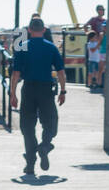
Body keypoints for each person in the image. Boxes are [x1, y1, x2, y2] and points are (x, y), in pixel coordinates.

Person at [9, 17, 67, 177]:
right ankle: (45, 146)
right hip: (46, 90)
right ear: (43, 30)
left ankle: (30, 164)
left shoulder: (22, 47)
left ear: (29, 30)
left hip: (28, 89)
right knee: (51, 123)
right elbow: (61, 72)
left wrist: (13, 93)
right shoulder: (51, 48)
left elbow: (15, 74)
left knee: (27, 127)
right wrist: (63, 91)